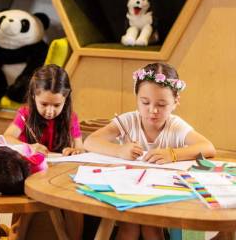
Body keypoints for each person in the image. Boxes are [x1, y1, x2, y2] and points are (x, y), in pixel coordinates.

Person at [84, 62, 215, 240]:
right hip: (126, 190)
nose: (152, 110)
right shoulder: (129, 121)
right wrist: (119, 150)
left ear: (175, 102)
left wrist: (172, 154)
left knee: (152, 229)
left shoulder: (175, 126)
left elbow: (208, 147)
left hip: (160, 195)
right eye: (145, 102)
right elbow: (90, 141)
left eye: (161, 104)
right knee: (129, 229)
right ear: (136, 97)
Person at [2, 64, 85, 238]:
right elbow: (7, 137)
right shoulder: (25, 113)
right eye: (44, 104)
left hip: (60, 176)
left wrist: (75, 150)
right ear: (34, 95)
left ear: (66, 98)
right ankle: (17, 233)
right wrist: (29, 147)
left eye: (56, 105)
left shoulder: (70, 117)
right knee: (28, 202)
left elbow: (80, 148)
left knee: (76, 204)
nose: (50, 111)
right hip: (31, 174)